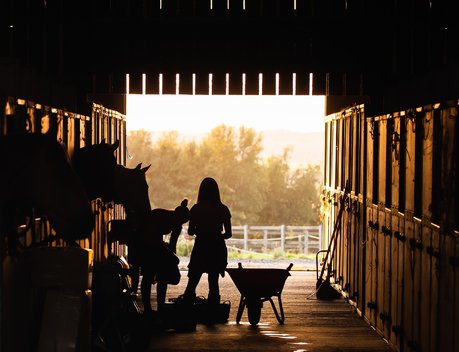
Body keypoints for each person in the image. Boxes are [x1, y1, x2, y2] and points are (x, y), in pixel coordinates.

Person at [182, 177, 232, 306]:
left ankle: (186, 309)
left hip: (201, 245)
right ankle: (213, 311)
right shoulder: (223, 209)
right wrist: (216, 235)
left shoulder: (196, 209)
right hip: (217, 247)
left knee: (193, 280)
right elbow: (228, 234)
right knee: (213, 281)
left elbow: (190, 232)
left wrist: (202, 232)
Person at [137, 198, 190, 313]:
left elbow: (173, 245)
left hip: (157, 245)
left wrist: (171, 259)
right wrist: (161, 245)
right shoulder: (159, 215)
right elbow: (146, 235)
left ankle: (161, 307)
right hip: (145, 243)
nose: (179, 224)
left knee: (163, 276)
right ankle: (147, 309)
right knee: (148, 275)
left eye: (182, 223)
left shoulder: (176, 224)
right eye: (180, 221)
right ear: (175, 215)